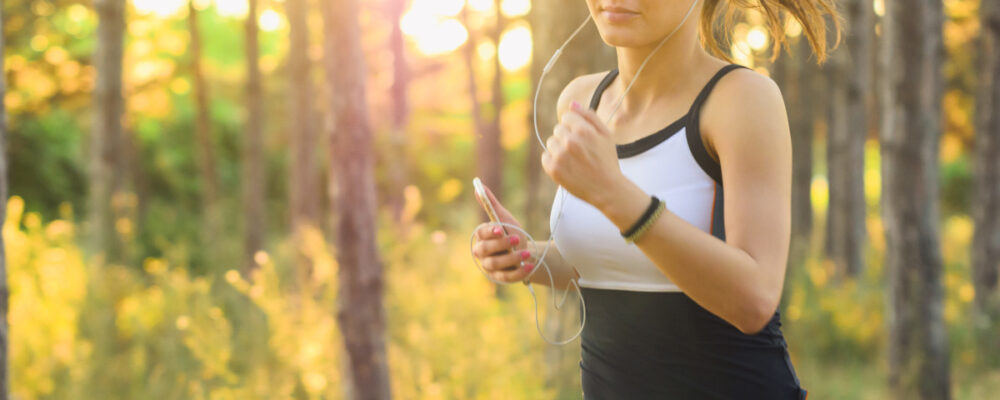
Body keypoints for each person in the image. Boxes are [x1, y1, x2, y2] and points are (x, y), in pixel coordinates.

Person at [471, 0, 839, 398]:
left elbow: (754, 300)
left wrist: (615, 195)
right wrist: (529, 257)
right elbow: (609, 263)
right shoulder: (580, 100)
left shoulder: (741, 99)